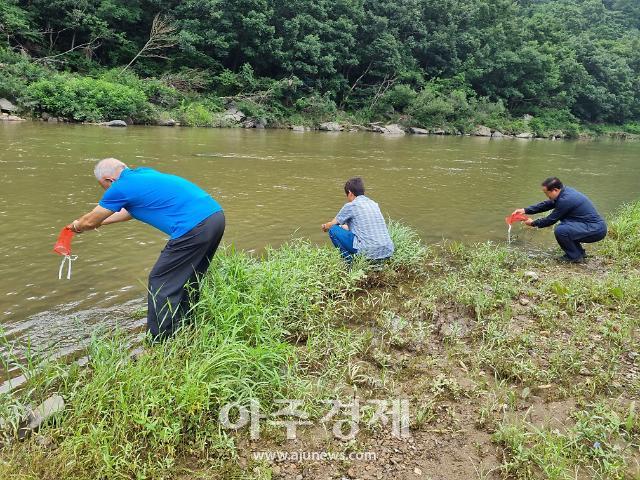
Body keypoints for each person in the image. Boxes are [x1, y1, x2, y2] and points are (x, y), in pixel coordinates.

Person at [65, 158, 225, 340]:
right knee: (189, 276)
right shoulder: (143, 173)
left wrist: (77, 226)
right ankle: (186, 323)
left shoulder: (120, 186)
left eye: (103, 185)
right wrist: (99, 223)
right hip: (215, 217)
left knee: (161, 281)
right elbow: (129, 212)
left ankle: (162, 340)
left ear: (109, 179)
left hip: (193, 227)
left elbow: (89, 220)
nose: (106, 190)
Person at [512, 177, 607, 263]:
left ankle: (575, 257)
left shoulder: (566, 200)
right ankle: (579, 253)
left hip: (596, 230)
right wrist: (525, 210)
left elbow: (550, 220)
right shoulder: (564, 192)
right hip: (590, 227)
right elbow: (546, 204)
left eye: (546, 193)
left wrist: (533, 223)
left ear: (555, 190)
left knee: (561, 230)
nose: (546, 195)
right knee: (565, 226)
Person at [321, 177, 394, 262]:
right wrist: (341, 226)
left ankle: (350, 263)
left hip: (369, 252)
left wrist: (325, 226)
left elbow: (332, 225)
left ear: (350, 193)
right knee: (339, 228)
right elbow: (358, 227)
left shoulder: (351, 206)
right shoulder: (373, 204)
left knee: (333, 230)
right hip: (387, 250)